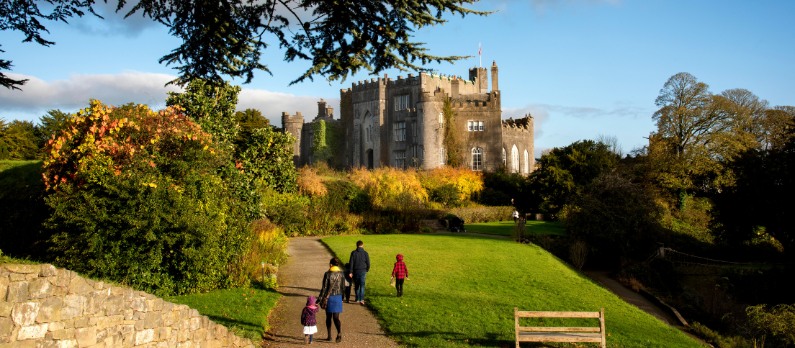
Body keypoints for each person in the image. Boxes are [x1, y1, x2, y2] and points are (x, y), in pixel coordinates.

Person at [318, 257, 346, 343]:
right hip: (338, 296)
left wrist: (319, 299)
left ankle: (329, 336)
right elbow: (343, 287)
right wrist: (342, 298)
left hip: (329, 297)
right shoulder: (341, 274)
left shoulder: (327, 274)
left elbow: (324, 288)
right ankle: (339, 332)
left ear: (331, 264)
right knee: (336, 317)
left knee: (328, 317)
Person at [348, 240, 370, 305]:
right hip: (363, 271)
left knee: (357, 285)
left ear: (357, 245)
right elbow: (368, 263)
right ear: (362, 245)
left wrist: (350, 272)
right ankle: (362, 299)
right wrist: (367, 269)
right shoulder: (365, 253)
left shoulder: (353, 253)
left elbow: (351, 263)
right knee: (362, 286)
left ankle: (357, 298)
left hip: (356, 271)